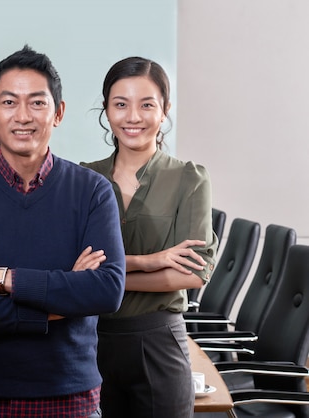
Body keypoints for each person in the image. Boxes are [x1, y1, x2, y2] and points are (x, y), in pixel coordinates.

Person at [0, 45, 126, 418]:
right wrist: (56, 303)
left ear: (59, 112)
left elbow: (106, 290)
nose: (23, 117)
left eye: (37, 103)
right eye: (8, 103)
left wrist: (2, 278)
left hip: (70, 394)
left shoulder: (92, 191)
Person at [81, 56, 218, 418]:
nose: (133, 117)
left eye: (147, 105)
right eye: (120, 104)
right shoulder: (83, 180)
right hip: (89, 341)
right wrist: (151, 262)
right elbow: (70, 266)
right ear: (106, 110)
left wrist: (106, 277)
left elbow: (191, 274)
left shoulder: (190, 179)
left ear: (165, 110)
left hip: (157, 341)